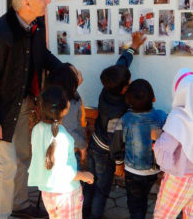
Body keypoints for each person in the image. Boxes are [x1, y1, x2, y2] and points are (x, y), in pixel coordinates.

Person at [0, 0, 62, 219]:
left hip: (22, 104)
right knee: (6, 165)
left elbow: (41, 56)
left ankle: (20, 204)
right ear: (26, 2)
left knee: (24, 156)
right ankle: (0, 215)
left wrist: (65, 68)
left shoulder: (35, 25)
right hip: (0, 112)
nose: (48, 1)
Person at [82, 31, 146, 219]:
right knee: (102, 189)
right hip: (105, 152)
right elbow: (115, 140)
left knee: (90, 183)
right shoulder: (118, 112)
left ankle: (83, 214)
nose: (131, 80)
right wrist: (118, 163)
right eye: (129, 81)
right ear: (124, 88)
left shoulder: (109, 85)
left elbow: (122, 62)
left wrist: (133, 47)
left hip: (94, 143)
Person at [28, 86, 94, 218]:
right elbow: (63, 172)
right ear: (65, 110)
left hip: (47, 192)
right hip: (66, 194)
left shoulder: (36, 129)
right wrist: (83, 175)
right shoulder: (64, 137)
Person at [110, 79, 167, 219]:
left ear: (128, 101)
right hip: (155, 169)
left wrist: (118, 163)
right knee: (144, 196)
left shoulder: (125, 119)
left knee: (135, 204)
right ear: (153, 98)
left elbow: (116, 143)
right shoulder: (162, 116)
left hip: (133, 172)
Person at [153, 68, 193, 219]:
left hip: (180, 177)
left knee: (164, 214)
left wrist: (157, 138)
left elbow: (164, 148)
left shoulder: (178, 116)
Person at [47, 63, 87, 169]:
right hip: (71, 150)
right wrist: (82, 146)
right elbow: (67, 130)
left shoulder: (73, 94)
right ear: (70, 83)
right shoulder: (68, 105)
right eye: (75, 72)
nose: (79, 71)